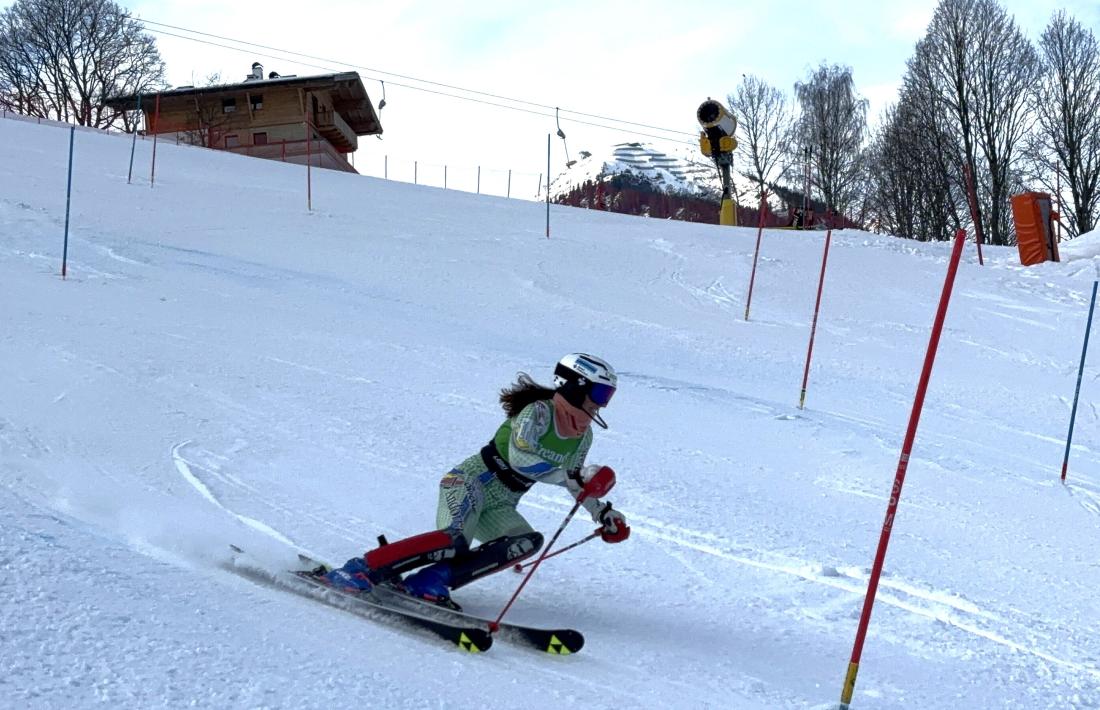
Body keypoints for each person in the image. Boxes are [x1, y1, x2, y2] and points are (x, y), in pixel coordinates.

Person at [323, 353, 630, 608]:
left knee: (525, 542)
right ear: (577, 386)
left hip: (502, 503)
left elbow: (576, 483)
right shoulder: (537, 413)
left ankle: (430, 580)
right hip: (470, 483)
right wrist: (573, 475)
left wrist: (602, 513)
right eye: (600, 394)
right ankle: (359, 569)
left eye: (608, 396)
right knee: (455, 540)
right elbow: (520, 458)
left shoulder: (582, 435)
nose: (602, 404)